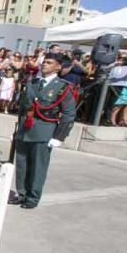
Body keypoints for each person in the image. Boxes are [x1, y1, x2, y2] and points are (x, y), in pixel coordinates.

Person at [10, 50, 77, 209]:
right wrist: (18, 129)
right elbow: (23, 108)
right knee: (22, 165)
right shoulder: (33, 83)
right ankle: (22, 194)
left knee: (38, 167)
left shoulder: (62, 87)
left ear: (58, 67)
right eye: (44, 62)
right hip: (25, 130)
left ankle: (32, 198)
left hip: (44, 130)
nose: (44, 65)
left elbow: (68, 113)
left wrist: (59, 136)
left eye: (49, 63)